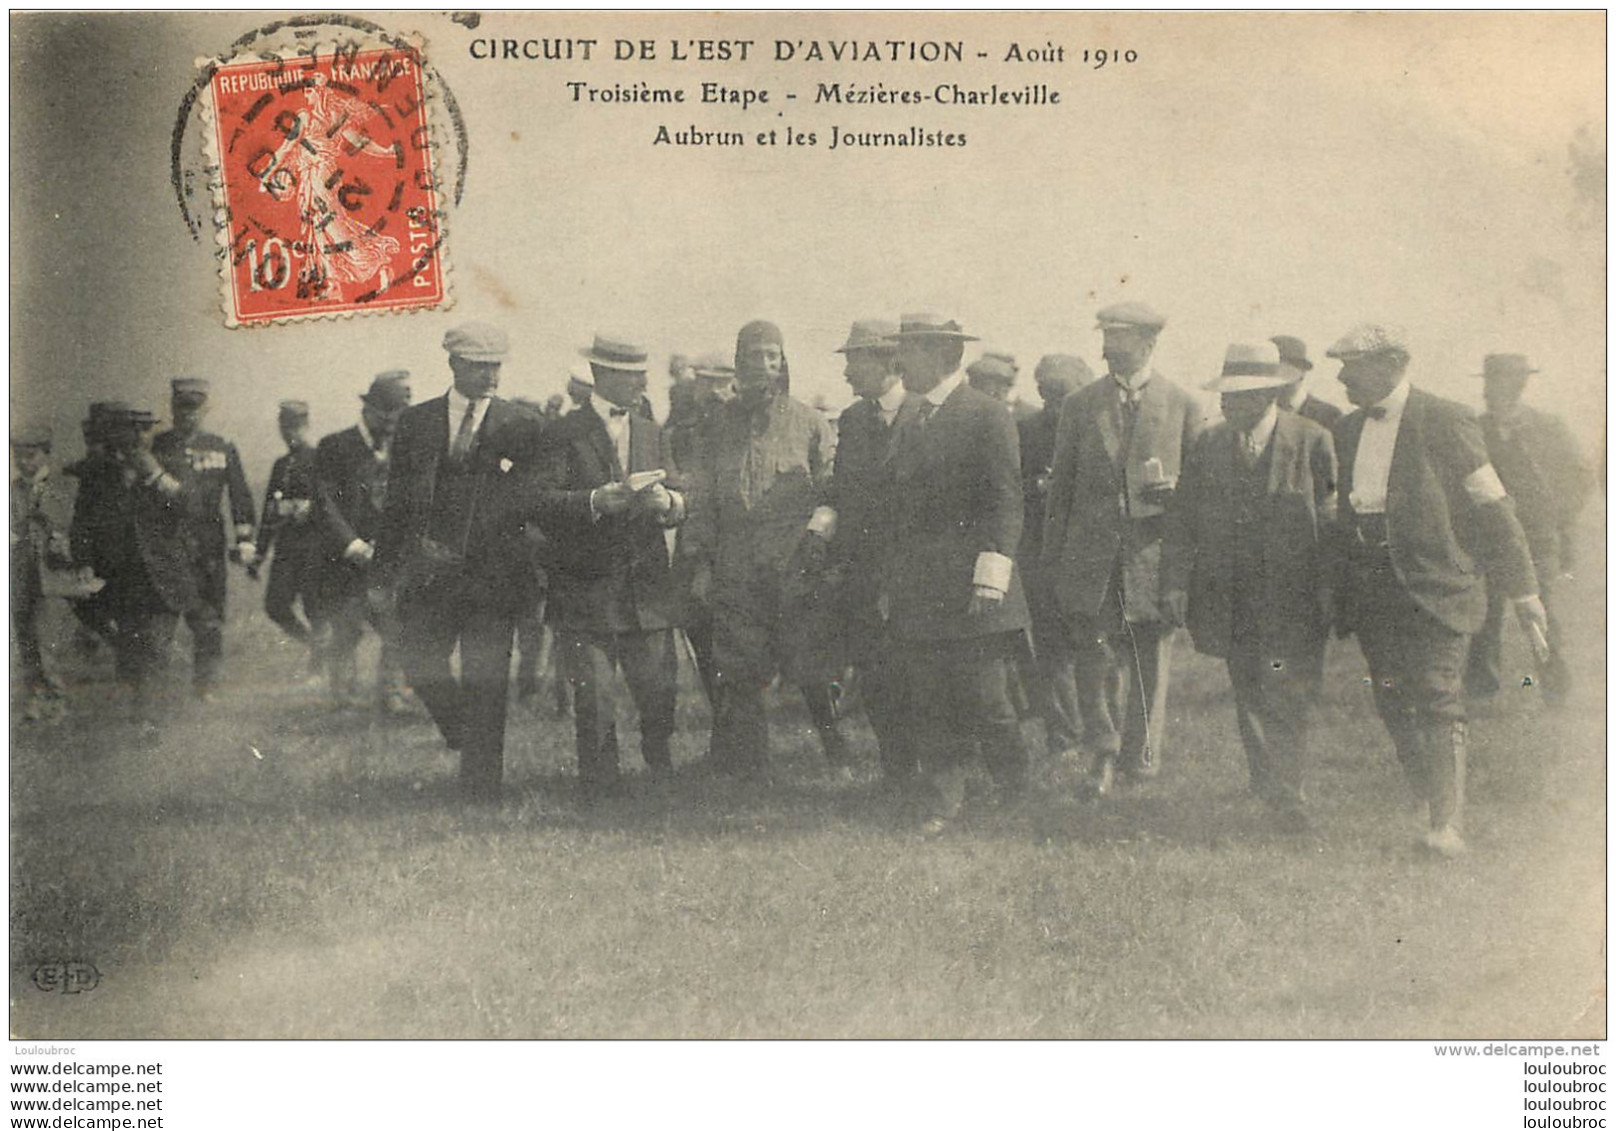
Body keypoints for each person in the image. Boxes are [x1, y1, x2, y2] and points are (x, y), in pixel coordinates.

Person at [1327, 323, 1545, 856]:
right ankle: (1429, 799)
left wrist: (1524, 591)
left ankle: (1447, 824)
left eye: (1352, 365)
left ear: (1393, 363)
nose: (1340, 376)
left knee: (1437, 691)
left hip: (1438, 586)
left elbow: (1493, 507)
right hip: (1372, 586)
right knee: (1391, 696)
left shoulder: (1445, 419)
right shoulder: (1348, 429)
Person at [1161, 343, 1338, 831]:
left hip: (1295, 598)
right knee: (1249, 687)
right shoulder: (1210, 445)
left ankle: (1290, 789)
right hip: (1232, 596)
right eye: (1224, 397)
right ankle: (1268, 781)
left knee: (1290, 688)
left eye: (1237, 398)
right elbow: (1181, 521)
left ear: (1267, 396)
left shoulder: (1313, 441)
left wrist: (1330, 590)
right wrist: (1175, 584)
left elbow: (1331, 523)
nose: (1226, 406)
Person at [874, 313, 1031, 834]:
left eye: (910, 351)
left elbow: (1006, 500)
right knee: (931, 698)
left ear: (945, 357)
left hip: (974, 589)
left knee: (989, 700)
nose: (899, 362)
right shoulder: (911, 418)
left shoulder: (986, 415)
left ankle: (1013, 788)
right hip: (921, 589)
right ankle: (944, 800)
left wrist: (991, 575)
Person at [1042, 301, 1204, 796]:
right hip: (1091, 562)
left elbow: (1198, 497)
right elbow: (1061, 493)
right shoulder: (1080, 405)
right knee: (1094, 661)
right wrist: (1055, 565)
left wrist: (1177, 493)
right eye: (1106, 339)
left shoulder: (1183, 404)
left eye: (1120, 340)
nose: (1109, 348)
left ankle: (1142, 754)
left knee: (1149, 662)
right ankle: (1104, 753)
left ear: (1149, 344)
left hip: (1152, 560)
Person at [528, 334, 688, 801]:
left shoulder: (653, 431)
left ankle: (660, 769)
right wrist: (596, 500)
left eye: (642, 372)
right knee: (594, 697)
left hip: (647, 585)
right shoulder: (560, 432)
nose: (641, 381)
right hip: (585, 586)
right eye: (630, 373)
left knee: (658, 689)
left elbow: (681, 494)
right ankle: (601, 788)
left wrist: (669, 502)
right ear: (601, 376)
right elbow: (539, 501)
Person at [683, 320, 846, 778]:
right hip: (735, 565)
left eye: (771, 356)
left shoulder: (810, 422)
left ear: (783, 362)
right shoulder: (715, 425)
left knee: (810, 665)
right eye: (753, 356)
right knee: (738, 667)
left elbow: (831, 490)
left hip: (795, 566)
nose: (763, 366)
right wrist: (699, 562)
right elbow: (701, 500)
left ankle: (835, 750)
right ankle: (748, 766)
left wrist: (819, 538)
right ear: (738, 363)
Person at [1463, 353, 1588, 705]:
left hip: (1537, 539)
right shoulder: (1475, 428)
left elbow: (1579, 476)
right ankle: (1481, 689)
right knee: (1483, 615)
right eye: (1490, 381)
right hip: (1487, 537)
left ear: (1521, 384)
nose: (1493, 389)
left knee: (1539, 612)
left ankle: (1555, 688)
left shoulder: (1550, 428)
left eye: (1503, 380)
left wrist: (1557, 516)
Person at [67, 403, 198, 739]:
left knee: (155, 647)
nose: (140, 437)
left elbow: (192, 508)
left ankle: (148, 721)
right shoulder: (98, 474)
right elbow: (82, 523)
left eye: (146, 429)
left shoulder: (170, 464)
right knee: (132, 650)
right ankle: (142, 707)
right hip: (122, 580)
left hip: (162, 577)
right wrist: (83, 561)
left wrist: (156, 477)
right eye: (132, 430)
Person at [825, 319, 917, 784]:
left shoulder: (925, 414)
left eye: (854, 361)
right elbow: (842, 490)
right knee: (876, 679)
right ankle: (896, 773)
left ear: (887, 361)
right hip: (862, 575)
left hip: (915, 576)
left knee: (918, 680)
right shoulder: (853, 420)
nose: (846, 374)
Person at [151, 377, 256, 699]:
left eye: (194, 409)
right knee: (162, 617)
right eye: (182, 408)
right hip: (167, 541)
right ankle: (156, 691)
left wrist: (245, 537)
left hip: (208, 541)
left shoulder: (221, 446)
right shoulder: (158, 447)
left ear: (205, 409)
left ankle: (206, 685)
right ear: (172, 408)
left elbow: (239, 495)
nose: (188, 415)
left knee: (208, 617)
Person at [315, 371, 412, 711]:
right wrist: (352, 545)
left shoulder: (404, 449)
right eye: (387, 416)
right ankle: (343, 696)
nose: (392, 425)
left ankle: (391, 694)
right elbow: (324, 505)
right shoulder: (334, 447)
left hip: (387, 559)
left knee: (397, 625)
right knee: (346, 629)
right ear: (369, 411)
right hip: (344, 560)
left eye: (398, 417)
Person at [1016, 353, 1094, 761]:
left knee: (1094, 648)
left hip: (1087, 554)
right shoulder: (1027, 430)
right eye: (1045, 391)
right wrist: (1038, 487)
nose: (1050, 401)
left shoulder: (1098, 428)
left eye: (1059, 393)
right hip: (1041, 554)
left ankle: (1100, 731)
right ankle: (1063, 735)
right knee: (1050, 647)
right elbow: (1013, 486)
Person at [666, 352, 736, 707]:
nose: (709, 391)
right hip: (692, 547)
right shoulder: (687, 429)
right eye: (705, 382)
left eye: (717, 383)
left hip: (728, 550)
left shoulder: (740, 426)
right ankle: (724, 729)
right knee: (699, 633)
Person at [253, 400, 324, 678]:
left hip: (314, 547)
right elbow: (269, 513)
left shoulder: (320, 459)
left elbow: (332, 502)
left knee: (315, 609)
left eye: (295, 426)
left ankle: (318, 668)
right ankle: (314, 646)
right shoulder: (280, 465)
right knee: (275, 605)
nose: (290, 432)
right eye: (285, 427)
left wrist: (306, 508)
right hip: (286, 548)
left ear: (306, 425)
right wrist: (259, 554)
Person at [11, 421, 75, 720]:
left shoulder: (66, 486)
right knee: (26, 641)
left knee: (47, 641)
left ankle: (57, 699)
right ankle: (36, 698)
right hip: (21, 577)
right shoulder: (11, 491)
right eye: (18, 456)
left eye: (31, 456)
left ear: (46, 454)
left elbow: (70, 527)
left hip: (52, 577)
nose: (24, 462)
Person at [1272, 335, 1343, 431]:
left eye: (1286, 372)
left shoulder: (1328, 415)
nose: (1277, 380)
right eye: (1272, 372)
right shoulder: (1258, 412)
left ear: (1302, 371)